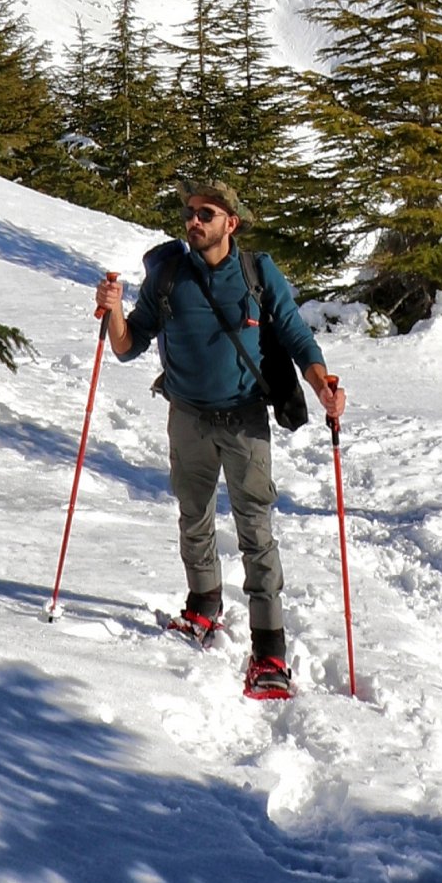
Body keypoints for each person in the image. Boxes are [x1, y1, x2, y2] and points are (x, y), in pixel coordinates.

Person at [94, 179, 346, 700]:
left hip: (244, 418)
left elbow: (297, 334)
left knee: (256, 528)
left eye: (205, 213)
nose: (194, 221)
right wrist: (114, 308)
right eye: (189, 212)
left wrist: (321, 384)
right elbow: (126, 346)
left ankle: (270, 648)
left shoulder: (257, 272)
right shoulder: (167, 275)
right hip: (186, 416)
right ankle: (203, 607)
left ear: (230, 222)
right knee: (194, 517)